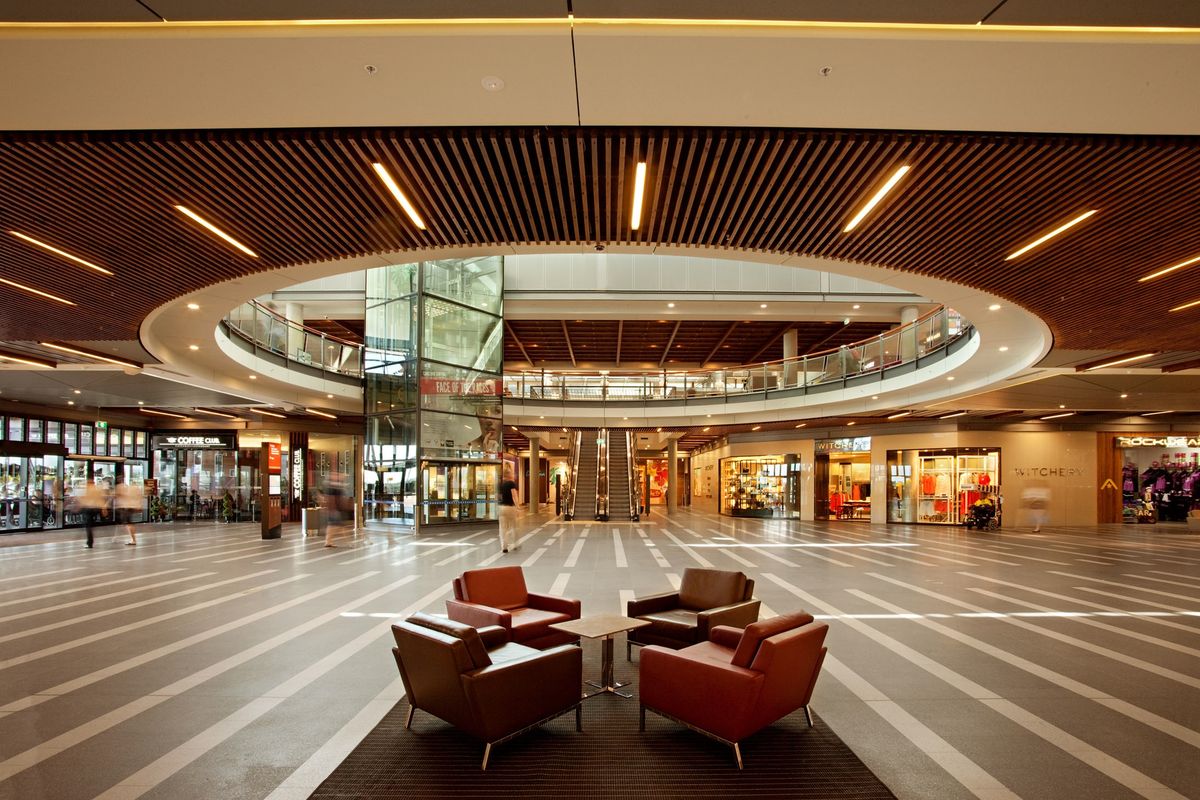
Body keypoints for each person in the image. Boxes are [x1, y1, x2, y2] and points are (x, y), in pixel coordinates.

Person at [498, 465, 520, 553]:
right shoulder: (511, 483)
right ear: (509, 475)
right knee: (514, 526)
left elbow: (499, 497)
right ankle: (515, 544)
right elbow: (514, 495)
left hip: (501, 507)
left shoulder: (501, 484)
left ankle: (504, 547)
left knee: (503, 528)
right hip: (510, 507)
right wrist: (518, 507)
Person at [81, 480, 106, 548]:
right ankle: (90, 541)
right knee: (90, 525)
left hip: (88, 509)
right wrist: (103, 508)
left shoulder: (88, 490)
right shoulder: (97, 490)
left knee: (88, 526)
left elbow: (83, 500)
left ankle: (89, 543)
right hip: (95, 509)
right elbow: (101, 499)